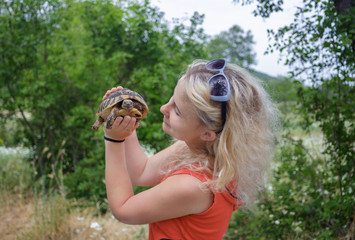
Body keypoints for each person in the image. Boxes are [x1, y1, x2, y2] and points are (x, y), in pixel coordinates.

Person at [102, 59, 279, 239]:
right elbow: (141, 172)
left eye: (177, 110)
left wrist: (113, 140)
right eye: (172, 98)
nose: (164, 108)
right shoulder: (203, 151)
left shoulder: (195, 186)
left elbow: (123, 209)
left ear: (208, 133)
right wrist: (125, 121)